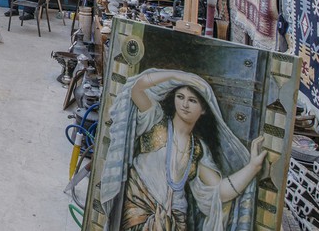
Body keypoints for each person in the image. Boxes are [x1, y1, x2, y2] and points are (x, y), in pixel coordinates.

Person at [99, 69, 266, 230]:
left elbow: (220, 192)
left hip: (174, 223)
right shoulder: (156, 121)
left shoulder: (197, 149)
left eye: (192, 100)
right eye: (180, 97)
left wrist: (253, 167)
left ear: (203, 109)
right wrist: (175, 75)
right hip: (138, 211)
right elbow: (137, 88)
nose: (185, 104)